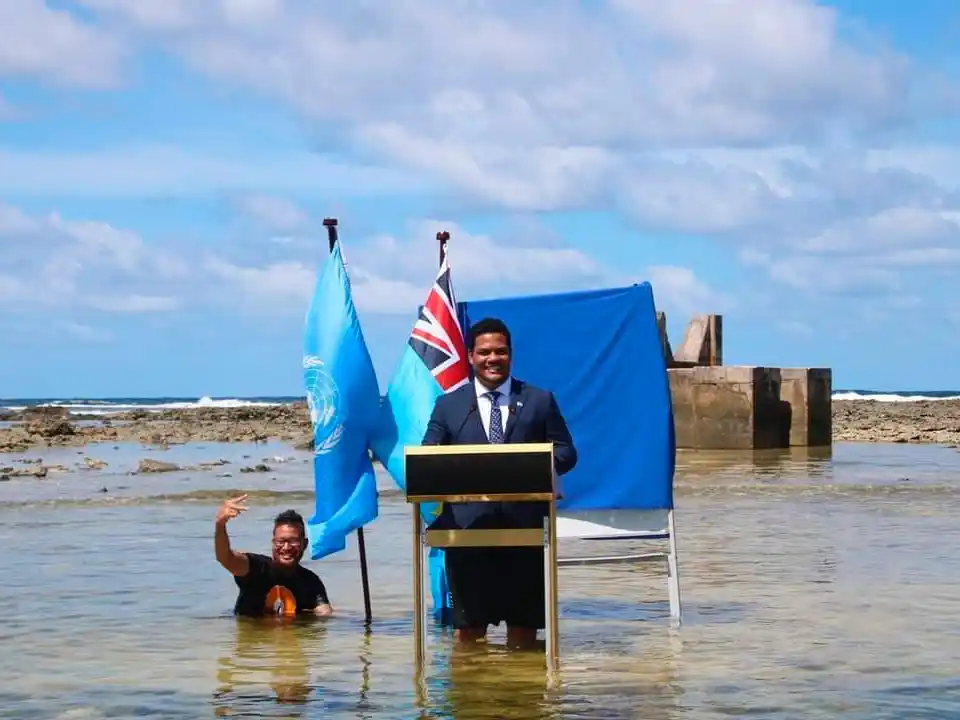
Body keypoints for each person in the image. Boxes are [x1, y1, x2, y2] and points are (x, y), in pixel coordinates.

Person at [422, 317, 577, 649]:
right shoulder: (448, 405)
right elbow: (428, 455)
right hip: (466, 534)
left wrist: (533, 466)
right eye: (485, 352)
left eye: (501, 352)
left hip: (525, 533)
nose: (493, 359)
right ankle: (471, 700)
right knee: (468, 636)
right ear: (471, 356)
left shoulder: (539, 400)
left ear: (511, 354)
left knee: (523, 635)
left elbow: (566, 452)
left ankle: (518, 698)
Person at [214, 495, 333, 618]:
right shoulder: (255, 568)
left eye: (293, 541)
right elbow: (225, 558)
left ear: (305, 544)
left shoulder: (311, 582)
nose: (286, 547)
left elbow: (324, 614)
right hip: (253, 634)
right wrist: (220, 524)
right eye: (280, 541)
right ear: (273, 543)